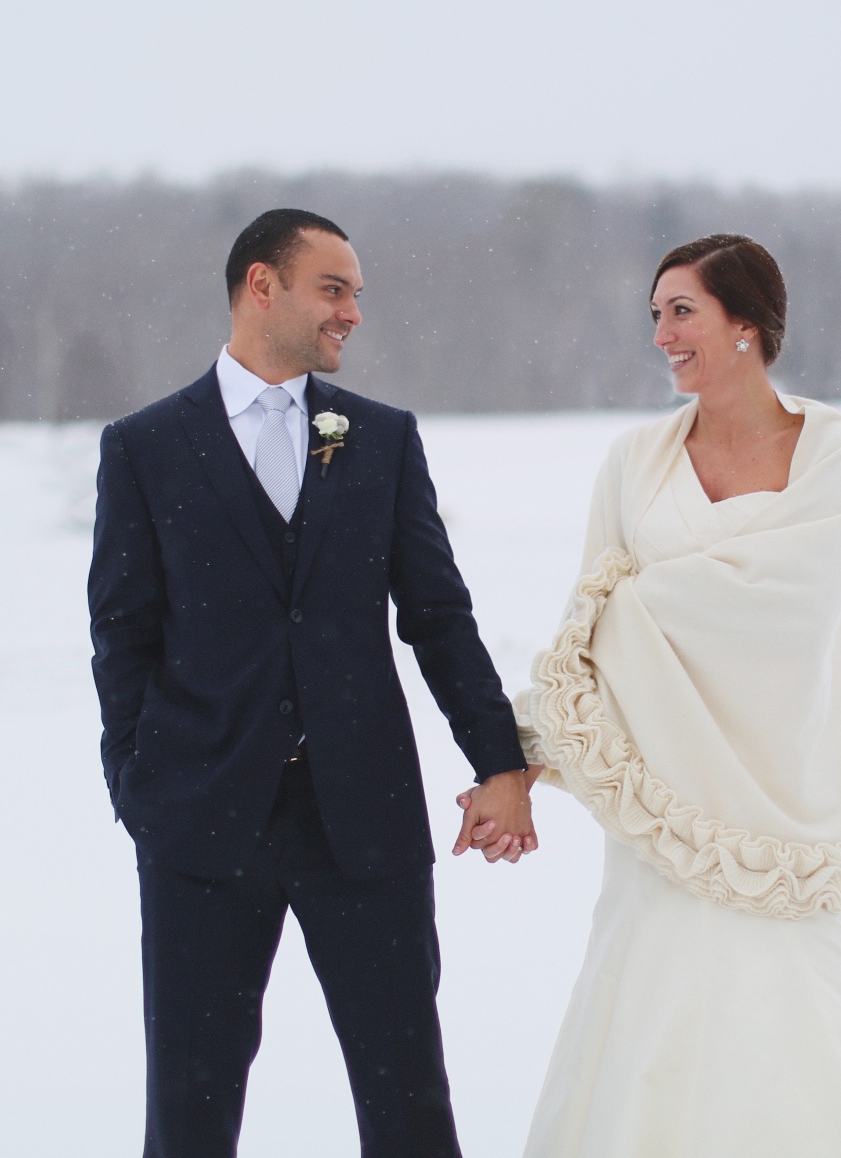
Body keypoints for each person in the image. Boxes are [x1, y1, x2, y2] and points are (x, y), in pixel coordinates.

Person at [463, 234, 841, 1156]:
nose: (662, 334)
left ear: (747, 323)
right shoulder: (634, 461)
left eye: (683, 312)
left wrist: (637, 602)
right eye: (655, 316)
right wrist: (512, 761)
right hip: (660, 806)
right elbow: (585, 631)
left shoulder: (827, 450)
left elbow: (786, 604)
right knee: (652, 1017)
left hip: (773, 793)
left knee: (792, 1014)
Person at [87, 208, 537, 1158]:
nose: (352, 314)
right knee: (190, 1111)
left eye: (357, 295)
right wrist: (136, 787)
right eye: (334, 289)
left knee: (409, 1100)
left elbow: (438, 616)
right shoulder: (146, 446)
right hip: (199, 823)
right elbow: (121, 634)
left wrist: (500, 762)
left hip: (362, 820)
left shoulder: (379, 440)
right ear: (263, 285)